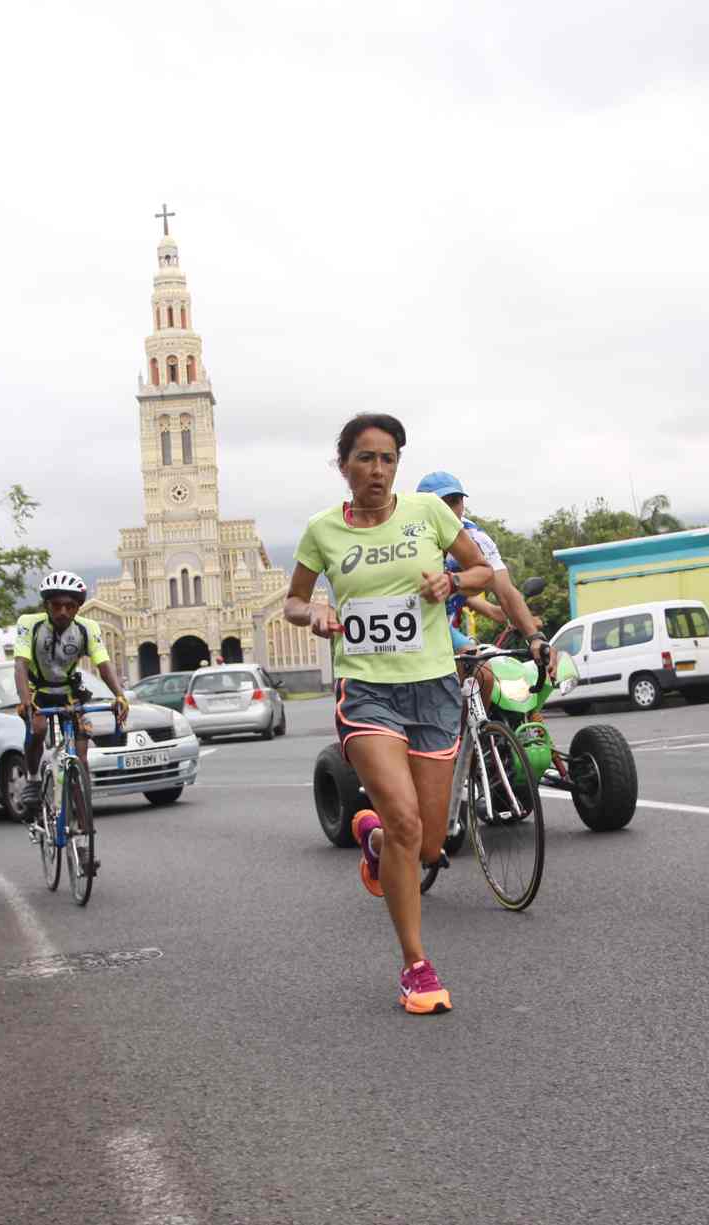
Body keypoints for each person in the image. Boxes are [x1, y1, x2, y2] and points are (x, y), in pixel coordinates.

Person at [285, 415, 493, 1014]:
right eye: (365, 458)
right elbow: (294, 601)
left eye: (388, 459)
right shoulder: (322, 531)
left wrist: (451, 582)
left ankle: (375, 842)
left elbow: (481, 569)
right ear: (343, 464)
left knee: (427, 844)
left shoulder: (429, 513)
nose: (377, 470)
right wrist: (315, 614)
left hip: (432, 689)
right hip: (367, 689)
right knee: (404, 819)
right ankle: (416, 966)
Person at [12, 571, 130, 873]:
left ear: (78, 607)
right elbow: (21, 665)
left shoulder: (88, 628)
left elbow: (104, 665)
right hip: (39, 692)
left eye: (70, 606)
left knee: (80, 759)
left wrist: (119, 695)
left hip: (69, 694)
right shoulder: (30, 624)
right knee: (37, 727)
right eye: (56, 605)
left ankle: (83, 840)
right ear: (47, 606)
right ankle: (35, 782)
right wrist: (26, 701)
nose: (63, 611)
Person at [414, 471, 552, 684]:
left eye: (455, 501)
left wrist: (534, 637)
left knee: (482, 675)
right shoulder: (406, 535)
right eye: (440, 503)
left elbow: (505, 592)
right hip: (411, 625)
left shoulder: (476, 538)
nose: (448, 511)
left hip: (444, 625)